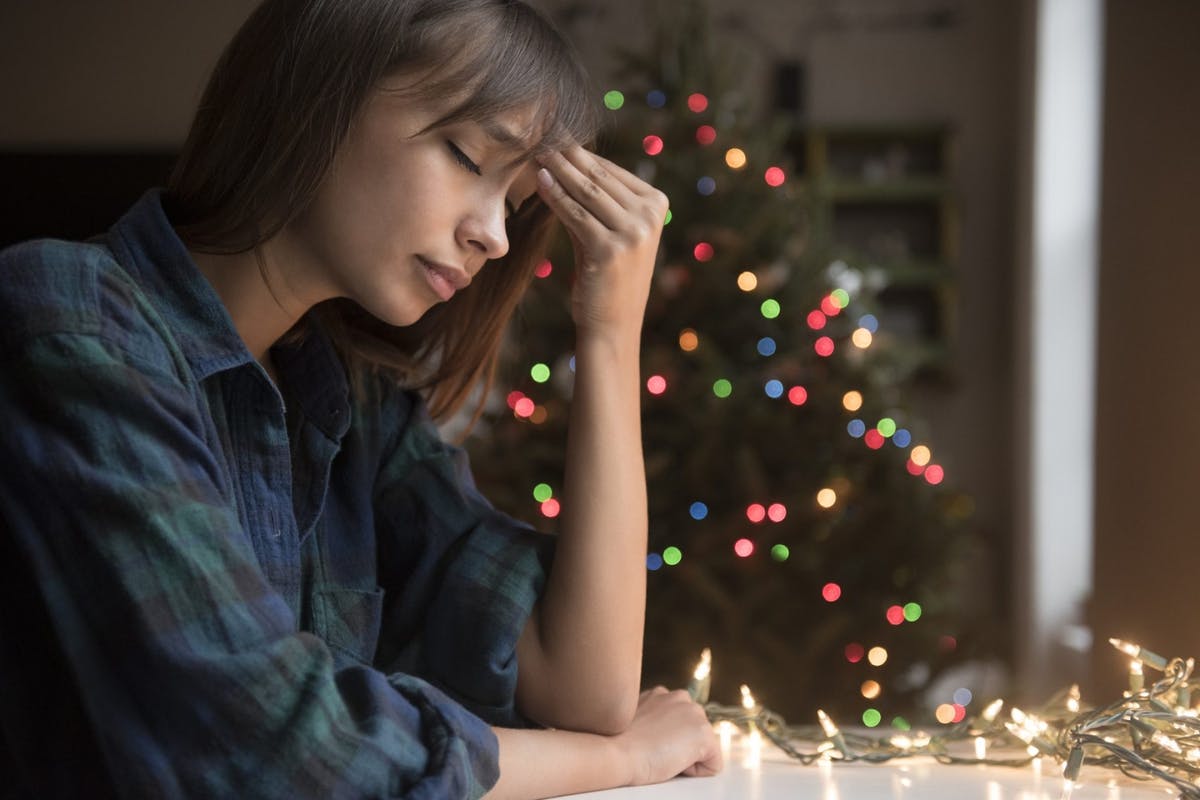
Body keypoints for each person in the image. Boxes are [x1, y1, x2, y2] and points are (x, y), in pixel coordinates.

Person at [0, 0, 722, 797]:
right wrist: (619, 762)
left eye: (515, 203)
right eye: (468, 155)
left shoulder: (354, 404)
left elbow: (585, 688)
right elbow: (272, 745)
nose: (497, 236)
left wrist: (610, 338)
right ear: (320, 91)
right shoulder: (68, 322)